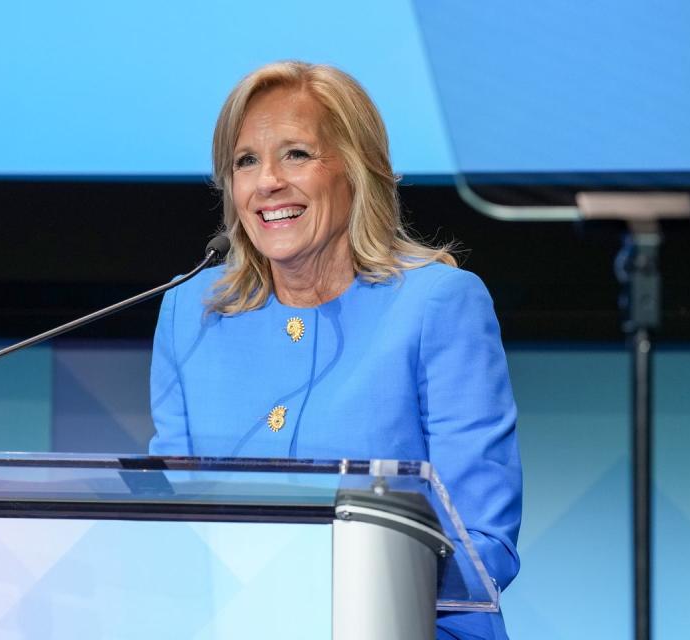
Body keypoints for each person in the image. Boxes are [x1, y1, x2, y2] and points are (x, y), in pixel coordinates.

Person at [149, 61, 521, 640]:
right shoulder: (191, 311)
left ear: (358, 169)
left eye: (296, 154)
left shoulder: (437, 304)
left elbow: (483, 547)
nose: (267, 181)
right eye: (246, 161)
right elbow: (169, 523)